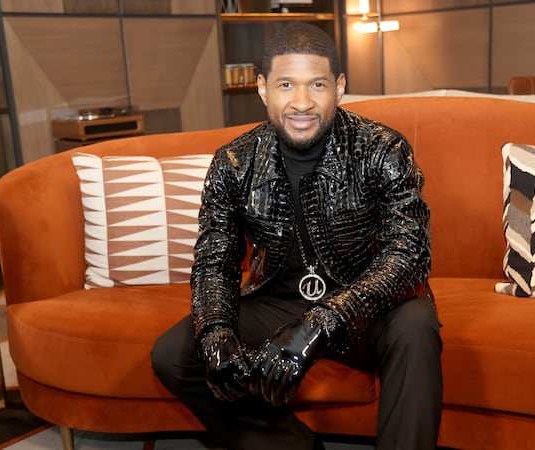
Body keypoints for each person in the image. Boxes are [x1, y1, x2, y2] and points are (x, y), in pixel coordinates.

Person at [151, 22, 443, 450]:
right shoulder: (233, 162)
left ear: (339, 87)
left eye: (317, 85)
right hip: (279, 303)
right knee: (173, 354)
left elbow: (409, 256)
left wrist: (319, 325)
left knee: (416, 325)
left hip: (367, 306)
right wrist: (215, 333)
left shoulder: (382, 149)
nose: (302, 102)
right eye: (286, 84)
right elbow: (215, 259)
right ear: (263, 88)